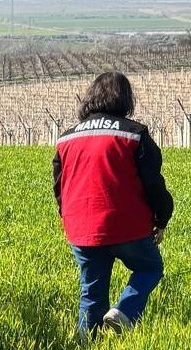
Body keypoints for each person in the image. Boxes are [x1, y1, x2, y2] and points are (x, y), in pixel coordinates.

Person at [53, 71, 174, 336]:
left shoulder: (66, 139)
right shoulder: (134, 134)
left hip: (81, 230)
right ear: (125, 99)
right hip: (126, 226)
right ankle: (125, 312)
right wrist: (162, 218)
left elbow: (59, 187)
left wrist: (70, 219)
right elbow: (153, 183)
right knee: (150, 267)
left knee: (91, 291)